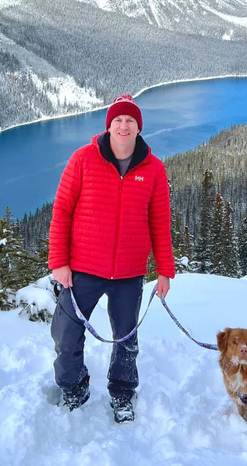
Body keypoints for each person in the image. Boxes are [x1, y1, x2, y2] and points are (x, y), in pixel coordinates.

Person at [48, 94, 175, 423]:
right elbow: (62, 210)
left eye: (130, 121)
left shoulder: (154, 170)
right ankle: (74, 386)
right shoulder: (83, 159)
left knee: (126, 339)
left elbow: (159, 223)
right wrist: (59, 262)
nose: (123, 126)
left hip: (129, 273)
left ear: (138, 128)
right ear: (109, 126)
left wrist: (164, 271)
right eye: (118, 120)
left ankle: (122, 393)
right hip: (83, 268)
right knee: (65, 332)